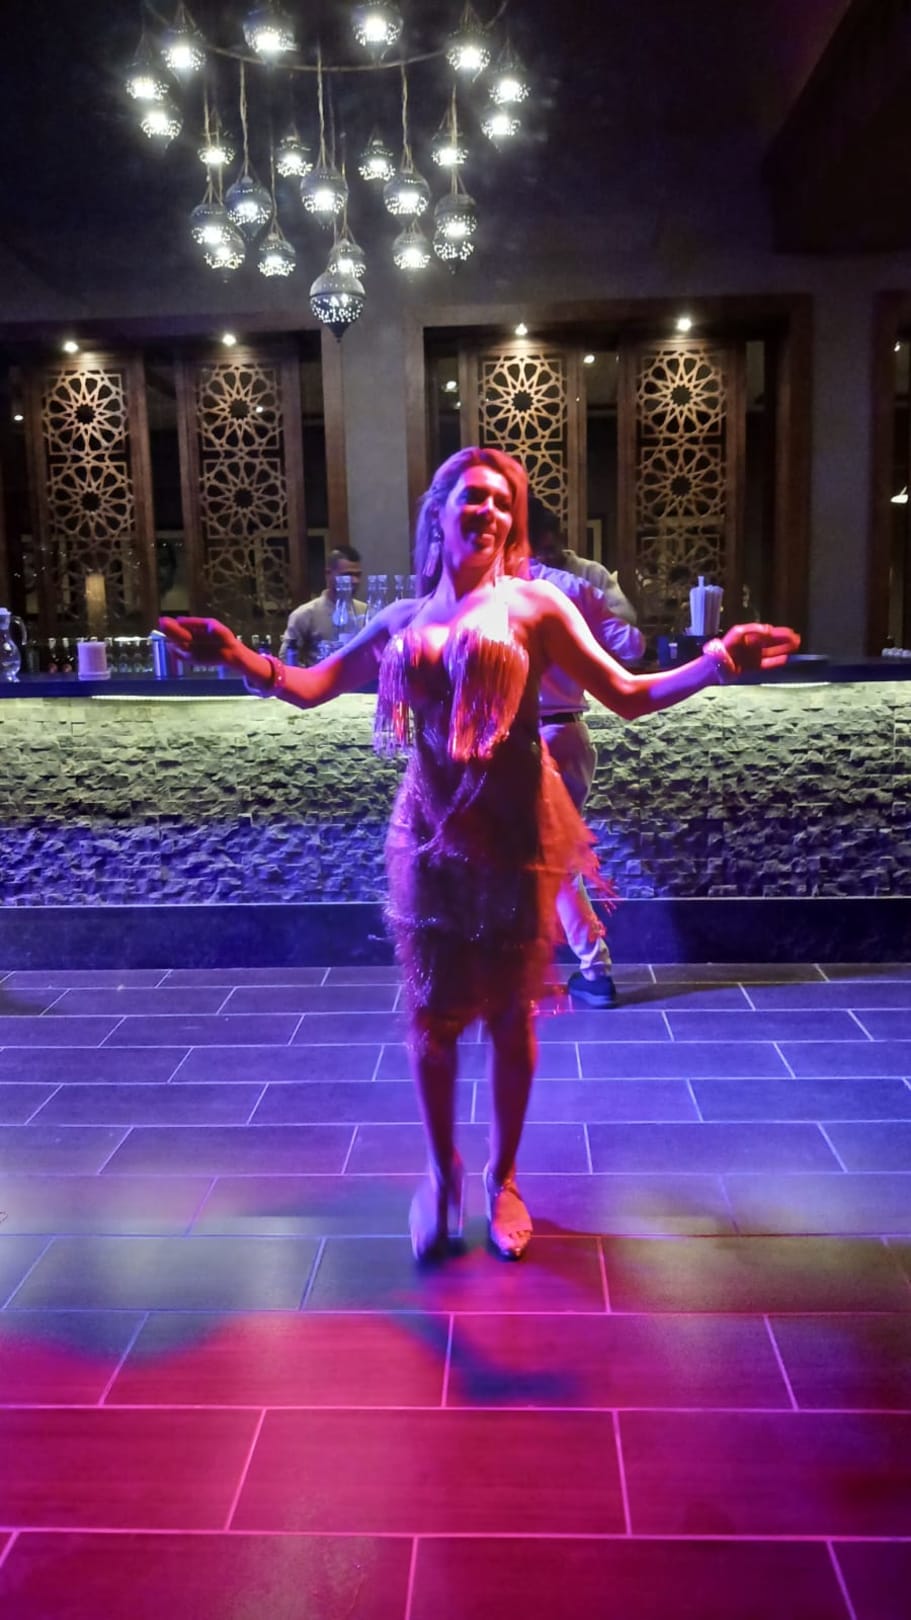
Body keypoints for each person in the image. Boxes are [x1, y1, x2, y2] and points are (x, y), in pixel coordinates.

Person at [160, 447, 798, 1266]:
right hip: (427, 837)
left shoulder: (535, 605)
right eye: (473, 497)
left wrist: (716, 662)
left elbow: (627, 696)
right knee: (431, 1017)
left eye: (502, 502)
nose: (488, 512)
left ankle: (502, 1179)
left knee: (508, 1013)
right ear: (438, 513)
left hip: (516, 833)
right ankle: (441, 1174)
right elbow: (312, 684)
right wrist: (236, 658)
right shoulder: (401, 620)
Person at [529, 546, 645, 1009]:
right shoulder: (572, 586)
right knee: (552, 859)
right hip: (571, 734)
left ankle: (588, 969)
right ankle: (588, 970)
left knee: (541, 860)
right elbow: (631, 646)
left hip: (525, 740)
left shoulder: (486, 591)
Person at [528, 496, 637, 624]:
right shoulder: (528, 576)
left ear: (562, 539)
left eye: (549, 550)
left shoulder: (592, 572)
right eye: (537, 552)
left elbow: (626, 616)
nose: (543, 557)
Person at [279, 545, 366, 665]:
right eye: (347, 575)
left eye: (358, 575)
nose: (355, 581)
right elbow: (286, 657)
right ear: (328, 574)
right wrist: (309, 675)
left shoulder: (365, 611)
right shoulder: (306, 614)